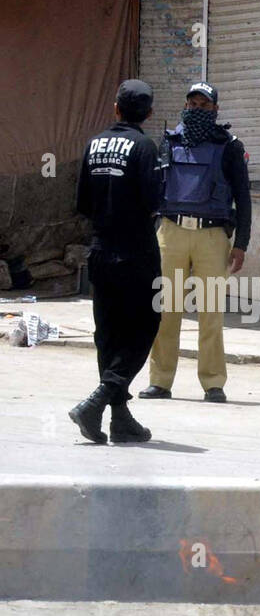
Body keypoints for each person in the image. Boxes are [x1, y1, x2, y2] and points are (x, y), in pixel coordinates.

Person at [140, 81, 252, 404]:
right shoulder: (169, 141)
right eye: (192, 105)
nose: (197, 110)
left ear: (215, 110)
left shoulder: (229, 147)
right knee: (166, 310)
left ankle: (213, 383)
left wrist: (241, 243)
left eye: (204, 106)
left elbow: (243, 199)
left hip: (212, 236)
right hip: (171, 231)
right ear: (185, 106)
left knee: (210, 313)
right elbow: (154, 188)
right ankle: (160, 381)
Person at [68, 79, 163, 444]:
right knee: (144, 327)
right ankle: (99, 401)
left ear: (115, 108)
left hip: (101, 251)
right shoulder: (144, 147)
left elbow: (82, 203)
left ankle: (120, 419)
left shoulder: (94, 145)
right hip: (137, 253)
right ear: (149, 113)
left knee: (108, 335)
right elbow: (154, 201)